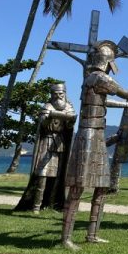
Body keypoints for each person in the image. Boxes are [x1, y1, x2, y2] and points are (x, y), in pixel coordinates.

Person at [61, 40, 128, 250]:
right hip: (88, 136)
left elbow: (105, 101)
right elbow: (120, 91)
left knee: (101, 186)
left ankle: (92, 234)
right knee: (78, 188)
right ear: (108, 61)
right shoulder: (99, 77)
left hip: (97, 134)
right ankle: (66, 238)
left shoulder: (90, 79)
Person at [31, 83, 76, 213]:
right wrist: (47, 116)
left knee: (57, 176)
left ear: (64, 94)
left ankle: (52, 203)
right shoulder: (47, 106)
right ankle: (36, 206)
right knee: (43, 174)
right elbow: (43, 122)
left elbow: (69, 125)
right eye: (55, 94)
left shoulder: (68, 106)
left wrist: (70, 120)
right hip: (47, 141)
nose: (58, 97)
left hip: (60, 143)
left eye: (60, 94)